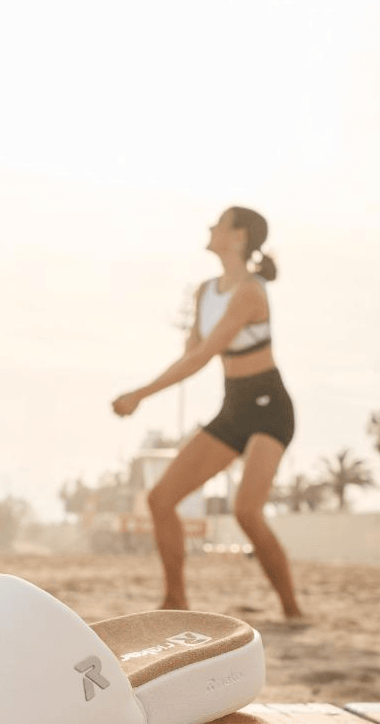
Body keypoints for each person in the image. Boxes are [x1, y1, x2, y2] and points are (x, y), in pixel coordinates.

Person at [113, 208, 302, 619]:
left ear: (238, 236)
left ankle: (292, 609)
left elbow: (202, 357)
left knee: (246, 511)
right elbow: (190, 356)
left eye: (218, 223)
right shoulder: (204, 292)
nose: (209, 228)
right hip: (233, 407)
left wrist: (140, 394)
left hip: (270, 409)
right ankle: (175, 599)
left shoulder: (251, 292)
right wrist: (155, 381)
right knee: (161, 499)